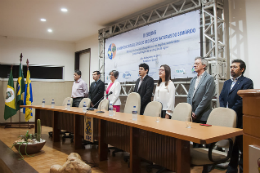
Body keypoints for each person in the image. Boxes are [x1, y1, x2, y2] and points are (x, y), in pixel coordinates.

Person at [219, 59, 253, 173]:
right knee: (232, 145)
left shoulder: (247, 82)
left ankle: (243, 169)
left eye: (235, 67)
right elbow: (222, 97)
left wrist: (231, 112)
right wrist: (224, 110)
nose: (232, 69)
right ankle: (232, 168)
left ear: (242, 69)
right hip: (228, 119)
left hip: (239, 118)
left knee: (241, 145)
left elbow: (242, 100)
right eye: (231, 67)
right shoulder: (227, 82)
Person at [187, 57, 215, 124]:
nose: (194, 65)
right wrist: (190, 111)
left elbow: (207, 98)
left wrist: (196, 112)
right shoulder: (193, 79)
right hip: (191, 114)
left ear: (204, 65)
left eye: (197, 63)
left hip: (203, 115)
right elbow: (189, 96)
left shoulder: (209, 78)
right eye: (194, 63)